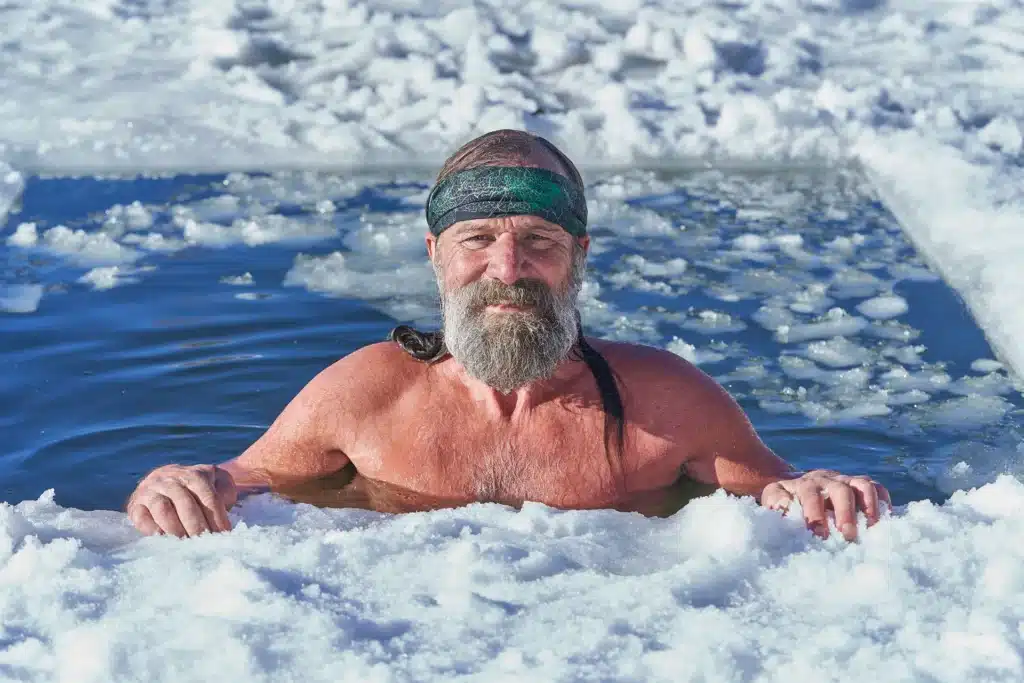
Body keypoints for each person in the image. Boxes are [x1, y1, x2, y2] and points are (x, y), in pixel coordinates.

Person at [126, 129, 890, 540]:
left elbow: (781, 489)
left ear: (578, 259)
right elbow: (237, 478)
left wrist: (819, 487)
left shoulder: (668, 402)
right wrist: (177, 482)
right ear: (435, 256)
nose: (508, 267)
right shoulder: (365, 393)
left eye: (539, 242)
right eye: (477, 239)